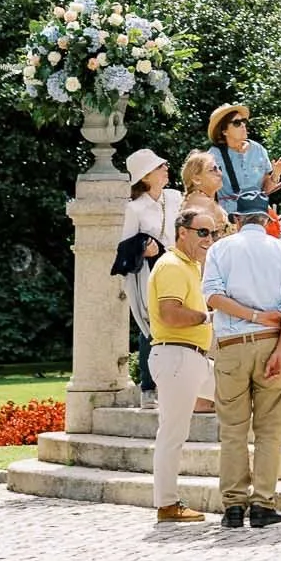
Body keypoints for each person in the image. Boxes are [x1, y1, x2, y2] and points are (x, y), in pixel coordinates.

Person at [201, 190, 281, 528]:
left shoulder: (219, 249)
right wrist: (279, 349)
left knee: (232, 429)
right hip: (272, 342)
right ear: (268, 217)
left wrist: (250, 316)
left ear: (236, 218)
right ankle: (262, 503)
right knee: (270, 429)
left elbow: (213, 296)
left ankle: (232, 506)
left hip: (231, 345)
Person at [145, 199, 219, 522]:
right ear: (181, 234)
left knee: (238, 400)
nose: (209, 239)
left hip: (193, 359)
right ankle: (166, 504)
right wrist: (208, 318)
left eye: (213, 233)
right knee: (173, 433)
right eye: (202, 232)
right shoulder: (173, 265)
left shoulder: (191, 266)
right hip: (177, 355)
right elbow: (170, 313)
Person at [117, 147, 182, 407]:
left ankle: (178, 382)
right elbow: (124, 247)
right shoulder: (134, 208)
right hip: (149, 272)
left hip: (178, 267)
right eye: (159, 166)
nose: (166, 167)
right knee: (152, 326)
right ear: (145, 176)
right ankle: (148, 388)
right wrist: (143, 247)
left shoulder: (175, 197)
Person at [206, 103, 281, 213]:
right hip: (229, 215)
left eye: (243, 121)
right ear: (224, 131)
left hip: (258, 211)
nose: (243, 125)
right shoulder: (214, 155)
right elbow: (207, 191)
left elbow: (266, 189)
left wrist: (276, 174)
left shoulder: (258, 149)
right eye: (237, 123)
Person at [178, 151, 229, 235]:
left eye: (219, 168)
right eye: (213, 170)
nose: (220, 173)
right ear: (196, 179)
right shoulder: (203, 203)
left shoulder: (196, 198)